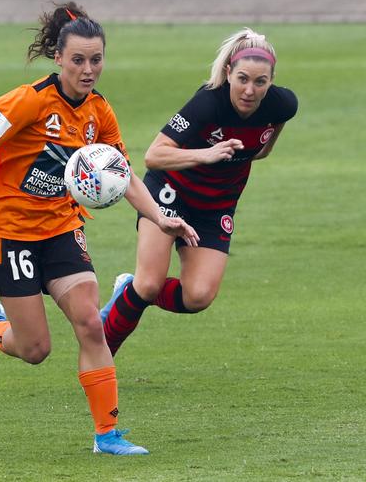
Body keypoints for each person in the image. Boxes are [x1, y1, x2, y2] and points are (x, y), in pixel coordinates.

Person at [0, 2, 198, 456]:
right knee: (35, 349)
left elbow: (120, 171)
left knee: (90, 323)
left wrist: (158, 217)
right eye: (79, 60)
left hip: (62, 228)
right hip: (9, 233)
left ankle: (107, 435)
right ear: (59, 58)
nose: (89, 70)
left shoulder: (99, 112)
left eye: (97, 60)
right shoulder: (28, 100)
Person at [101, 27, 298, 356]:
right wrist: (205, 154)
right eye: (243, 78)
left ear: (271, 81)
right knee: (149, 283)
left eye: (260, 82)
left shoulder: (282, 106)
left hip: (215, 208)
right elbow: (154, 155)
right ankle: (100, 355)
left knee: (198, 297)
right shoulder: (207, 103)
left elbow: (262, 149)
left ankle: (127, 288)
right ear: (228, 73)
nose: (250, 90)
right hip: (169, 194)